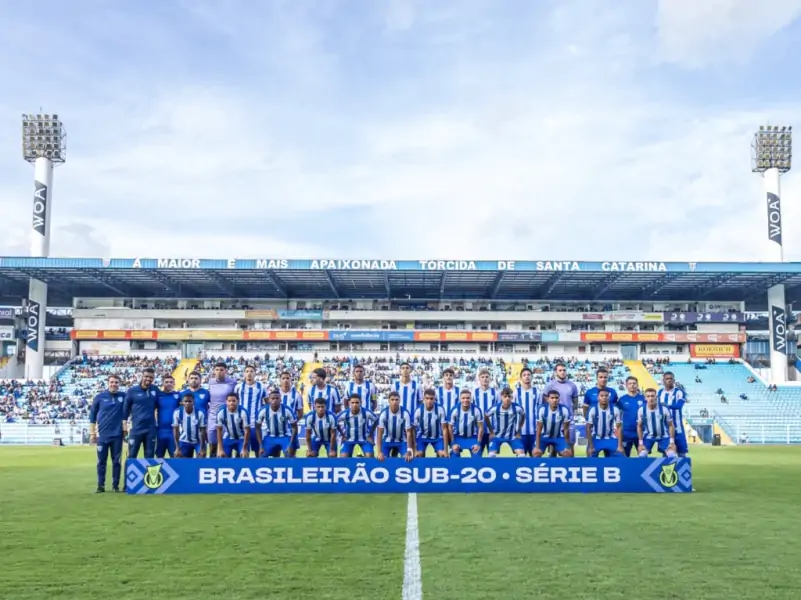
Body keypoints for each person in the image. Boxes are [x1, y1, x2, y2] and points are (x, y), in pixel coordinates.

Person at [89, 374, 126, 493]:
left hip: (117, 435)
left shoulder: (123, 396)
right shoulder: (100, 397)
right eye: (112, 382)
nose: (114, 384)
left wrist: (126, 427)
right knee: (101, 462)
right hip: (103, 436)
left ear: (119, 384)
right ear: (108, 383)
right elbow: (92, 415)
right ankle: (101, 486)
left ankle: (115, 486)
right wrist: (92, 433)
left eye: (116, 382)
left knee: (117, 462)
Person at [541, 363, 579, 451]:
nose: (562, 372)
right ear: (555, 372)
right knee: (553, 448)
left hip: (569, 420)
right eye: (560, 370)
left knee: (570, 446)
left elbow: (575, 402)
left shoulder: (572, 385)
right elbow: (545, 399)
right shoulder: (550, 385)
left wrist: (568, 411)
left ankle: (570, 464)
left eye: (564, 370)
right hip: (554, 420)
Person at [123, 367, 159, 459]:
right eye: (146, 376)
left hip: (151, 429)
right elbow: (125, 409)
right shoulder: (132, 391)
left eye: (151, 377)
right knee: (131, 456)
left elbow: (164, 401)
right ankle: (129, 473)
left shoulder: (155, 390)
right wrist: (124, 425)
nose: (148, 379)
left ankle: (148, 474)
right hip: (136, 429)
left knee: (150, 457)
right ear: (142, 376)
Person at [207, 363, 238, 458]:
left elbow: (236, 399)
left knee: (225, 442)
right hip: (212, 415)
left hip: (226, 416)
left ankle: (226, 465)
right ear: (214, 371)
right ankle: (212, 463)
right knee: (212, 441)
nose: (219, 372)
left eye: (221, 370)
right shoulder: (211, 382)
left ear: (226, 371)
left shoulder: (232, 383)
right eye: (217, 370)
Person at [485, 387, 525, 457]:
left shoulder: (517, 407)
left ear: (512, 397)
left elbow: (523, 415)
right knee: (491, 456)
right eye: (505, 396)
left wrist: (518, 431)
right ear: (501, 397)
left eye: (509, 396)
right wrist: (491, 431)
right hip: (497, 436)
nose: (507, 399)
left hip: (512, 437)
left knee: (522, 455)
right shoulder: (495, 408)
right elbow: (486, 415)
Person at [235, 365, 266, 457]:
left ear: (255, 373)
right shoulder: (238, 387)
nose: (249, 373)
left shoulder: (261, 387)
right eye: (247, 371)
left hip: (256, 424)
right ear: (244, 373)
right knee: (241, 452)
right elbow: (234, 402)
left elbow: (267, 403)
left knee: (259, 451)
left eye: (251, 371)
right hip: (241, 425)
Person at [376, 390, 415, 461]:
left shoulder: (405, 413)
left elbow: (409, 433)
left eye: (396, 400)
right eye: (392, 400)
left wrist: (409, 450)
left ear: (399, 401)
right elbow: (379, 433)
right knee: (381, 459)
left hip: (401, 441)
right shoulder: (384, 414)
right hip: (387, 441)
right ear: (389, 401)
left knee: (408, 458)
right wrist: (379, 452)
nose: (394, 402)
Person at [257, 389, 297, 458]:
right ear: (269, 400)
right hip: (270, 437)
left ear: (280, 400)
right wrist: (261, 445)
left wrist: (290, 444)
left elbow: (295, 427)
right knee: (261, 455)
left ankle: (288, 468)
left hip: (284, 437)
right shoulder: (263, 410)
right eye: (272, 398)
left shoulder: (287, 410)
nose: (274, 400)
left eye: (277, 398)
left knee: (289, 454)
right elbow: (257, 428)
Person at [637, 389, 677, 458]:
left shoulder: (664, 408)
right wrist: (640, 443)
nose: (650, 398)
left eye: (652, 396)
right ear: (645, 398)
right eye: (648, 396)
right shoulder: (641, 410)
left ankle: (669, 468)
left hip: (663, 436)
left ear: (656, 397)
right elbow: (639, 426)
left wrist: (672, 442)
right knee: (642, 455)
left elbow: (671, 425)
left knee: (672, 455)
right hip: (648, 436)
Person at [533, 390, 573, 458]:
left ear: (559, 399)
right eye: (552, 398)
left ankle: (559, 465)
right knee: (536, 454)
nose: (554, 400)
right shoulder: (542, 409)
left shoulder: (564, 410)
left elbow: (566, 430)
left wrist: (567, 446)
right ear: (548, 399)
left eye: (556, 398)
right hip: (544, 437)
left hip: (558, 437)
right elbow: (539, 429)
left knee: (567, 454)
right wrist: (537, 448)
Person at [658, 372, 689, 457]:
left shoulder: (679, 392)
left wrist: (666, 406)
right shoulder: (660, 393)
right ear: (663, 381)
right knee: (665, 453)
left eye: (671, 379)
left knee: (682, 453)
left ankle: (682, 470)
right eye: (667, 379)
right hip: (665, 429)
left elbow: (679, 406)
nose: (669, 380)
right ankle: (665, 470)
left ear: (674, 380)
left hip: (678, 428)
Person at [337, 394, 377, 458]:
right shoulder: (345, 413)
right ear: (349, 403)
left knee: (370, 456)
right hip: (349, 439)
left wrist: (370, 435)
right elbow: (334, 422)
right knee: (343, 457)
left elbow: (377, 421)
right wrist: (342, 435)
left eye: (357, 402)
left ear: (361, 403)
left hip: (364, 439)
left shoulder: (366, 412)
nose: (354, 405)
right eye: (352, 403)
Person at [586, 389, 623, 457]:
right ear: (598, 397)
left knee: (620, 455)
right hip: (596, 439)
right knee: (590, 456)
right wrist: (590, 446)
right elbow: (588, 428)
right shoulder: (593, 409)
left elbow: (619, 427)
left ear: (609, 397)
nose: (604, 397)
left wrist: (620, 445)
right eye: (602, 396)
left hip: (610, 438)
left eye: (606, 396)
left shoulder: (615, 409)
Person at [448, 388, 483, 457]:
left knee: (477, 455)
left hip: (472, 437)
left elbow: (481, 427)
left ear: (471, 399)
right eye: (463, 398)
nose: (465, 400)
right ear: (460, 399)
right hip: (458, 437)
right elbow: (450, 427)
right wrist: (453, 443)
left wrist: (478, 443)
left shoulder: (476, 410)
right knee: (454, 454)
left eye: (468, 398)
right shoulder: (454, 410)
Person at [413, 389, 448, 458]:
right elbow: (413, 431)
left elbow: (444, 429)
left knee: (443, 455)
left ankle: (439, 468)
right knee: (419, 455)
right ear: (423, 399)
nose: (429, 401)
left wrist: (446, 450)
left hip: (437, 437)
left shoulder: (440, 409)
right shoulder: (418, 411)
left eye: (431, 398)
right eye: (427, 398)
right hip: (422, 437)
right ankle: (421, 468)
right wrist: (414, 450)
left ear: (435, 399)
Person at [472, 368, 498, 455]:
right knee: (477, 455)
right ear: (479, 379)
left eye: (487, 377)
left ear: (490, 379)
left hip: (492, 430)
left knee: (492, 455)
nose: (485, 379)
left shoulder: (496, 393)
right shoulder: (474, 393)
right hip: (478, 430)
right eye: (482, 377)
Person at [173, 392, 207, 458]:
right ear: (182, 402)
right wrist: (177, 447)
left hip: (198, 442)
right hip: (184, 441)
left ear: (193, 402)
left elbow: (203, 431)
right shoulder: (177, 412)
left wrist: (202, 448)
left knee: (201, 458)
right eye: (185, 401)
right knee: (179, 458)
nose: (187, 403)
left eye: (189, 401)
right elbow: (175, 430)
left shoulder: (200, 413)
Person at [216, 393, 250, 458]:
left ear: (238, 401)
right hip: (229, 437)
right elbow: (219, 430)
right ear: (226, 402)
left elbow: (247, 431)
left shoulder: (243, 412)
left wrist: (244, 448)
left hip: (241, 438)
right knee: (221, 456)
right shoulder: (221, 412)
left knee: (244, 456)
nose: (231, 403)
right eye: (229, 401)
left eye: (234, 401)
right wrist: (220, 449)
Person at [618, 376, 646, 457]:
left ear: (637, 385)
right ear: (626, 385)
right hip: (626, 433)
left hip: (641, 432)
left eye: (634, 383)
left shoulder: (643, 398)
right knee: (624, 457)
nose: (632, 385)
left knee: (643, 456)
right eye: (630, 384)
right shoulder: (622, 400)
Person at [278, 371, 304, 457]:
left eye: (287, 378)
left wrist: (293, 422)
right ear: (280, 380)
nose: (285, 380)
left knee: (291, 455)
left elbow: (300, 413)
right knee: (275, 455)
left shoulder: (296, 395)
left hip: (291, 430)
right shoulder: (275, 394)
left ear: (291, 380)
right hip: (276, 429)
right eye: (283, 378)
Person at [155, 375, 182, 458]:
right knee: (159, 458)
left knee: (175, 457)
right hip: (160, 431)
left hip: (173, 431)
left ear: (174, 384)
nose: (169, 384)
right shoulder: (158, 396)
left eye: (171, 382)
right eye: (166, 382)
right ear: (163, 383)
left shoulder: (178, 396)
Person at [515, 367, 539, 456]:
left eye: (529, 375)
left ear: (532, 377)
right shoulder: (516, 392)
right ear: (521, 378)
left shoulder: (537, 392)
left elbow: (540, 410)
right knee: (521, 457)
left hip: (534, 431)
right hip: (521, 432)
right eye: (524, 375)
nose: (527, 377)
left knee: (536, 456)